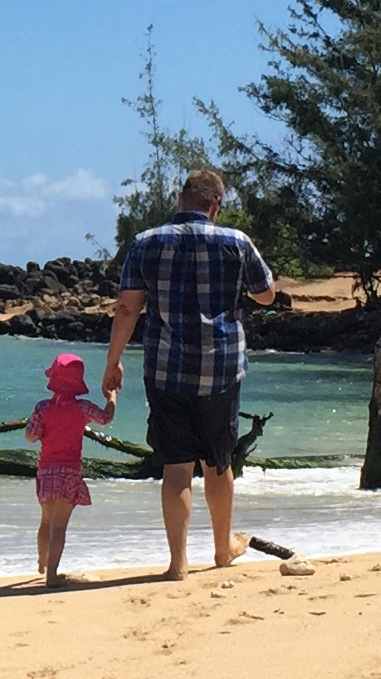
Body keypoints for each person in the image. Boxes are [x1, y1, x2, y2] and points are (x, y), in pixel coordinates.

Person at [102, 167, 278, 576]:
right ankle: (222, 549)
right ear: (216, 205)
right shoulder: (237, 242)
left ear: (181, 200)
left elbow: (128, 308)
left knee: (176, 465)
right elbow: (267, 296)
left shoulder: (146, 242)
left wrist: (112, 363)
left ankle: (177, 563)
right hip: (221, 367)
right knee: (218, 460)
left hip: (166, 368)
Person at [24, 351, 112, 587]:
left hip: (46, 471)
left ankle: (42, 564)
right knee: (59, 527)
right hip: (70, 473)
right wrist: (112, 398)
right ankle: (52, 575)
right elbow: (105, 418)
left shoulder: (42, 408)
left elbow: (31, 437)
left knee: (45, 522)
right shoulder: (82, 408)